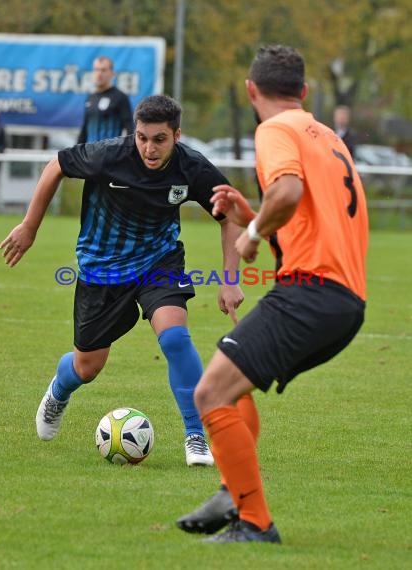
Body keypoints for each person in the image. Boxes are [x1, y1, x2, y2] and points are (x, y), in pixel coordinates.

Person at [176, 44, 368, 542]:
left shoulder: (274, 129)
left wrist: (253, 233)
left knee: (209, 392)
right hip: (344, 300)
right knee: (229, 381)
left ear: (250, 90)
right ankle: (232, 489)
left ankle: (255, 521)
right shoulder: (327, 137)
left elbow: (286, 194)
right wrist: (250, 213)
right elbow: (311, 220)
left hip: (311, 292)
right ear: (304, 93)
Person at [0, 94, 244, 467]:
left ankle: (196, 436)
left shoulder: (191, 168)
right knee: (88, 366)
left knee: (175, 337)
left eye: (159, 139)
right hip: (102, 269)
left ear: (177, 136)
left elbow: (230, 216)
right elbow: (55, 167)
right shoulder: (109, 155)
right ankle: (59, 390)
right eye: (142, 137)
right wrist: (29, 227)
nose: (148, 147)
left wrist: (230, 279)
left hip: (158, 261)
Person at [77, 56, 133, 144]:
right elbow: (84, 129)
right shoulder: (90, 98)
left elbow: (130, 128)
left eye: (103, 70)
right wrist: (76, 153)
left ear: (112, 73)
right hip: (90, 155)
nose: (99, 73)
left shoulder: (120, 97)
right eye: (96, 70)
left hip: (111, 154)